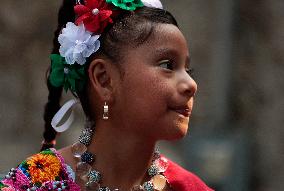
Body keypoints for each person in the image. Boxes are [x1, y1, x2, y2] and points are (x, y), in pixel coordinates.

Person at [0, 0, 213, 191]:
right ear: (104, 79)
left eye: (188, 70)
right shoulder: (35, 183)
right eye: (167, 65)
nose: (191, 84)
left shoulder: (190, 187)